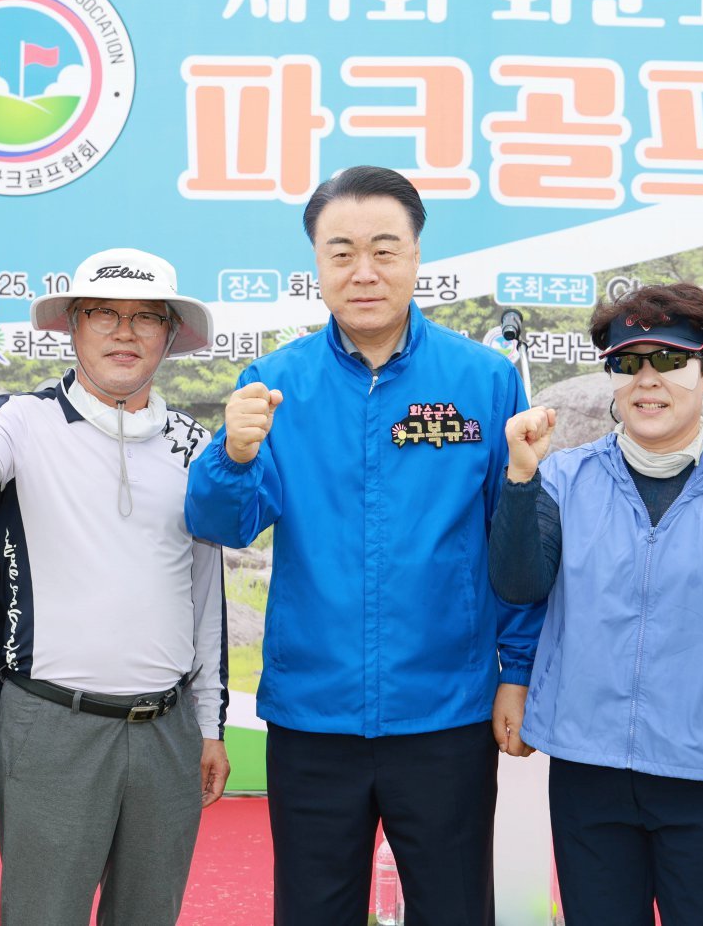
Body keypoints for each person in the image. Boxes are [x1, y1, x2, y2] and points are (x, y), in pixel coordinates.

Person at [184, 165, 542, 926]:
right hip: (314, 717)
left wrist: (518, 670)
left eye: (385, 248)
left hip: (446, 712)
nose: (365, 271)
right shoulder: (276, 381)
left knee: (454, 910)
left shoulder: (482, 380)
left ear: (417, 257)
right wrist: (232, 457)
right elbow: (222, 524)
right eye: (341, 252)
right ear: (316, 264)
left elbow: (512, 540)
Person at [0, 247, 230, 926]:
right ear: (72, 326)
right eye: (105, 316)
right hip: (51, 724)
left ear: (171, 335)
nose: (125, 332)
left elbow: (206, 593)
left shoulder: (194, 445)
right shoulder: (22, 423)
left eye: (146, 318)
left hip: (168, 731)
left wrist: (209, 725)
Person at [488, 282, 703, 925]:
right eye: (627, 362)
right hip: (589, 771)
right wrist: (521, 477)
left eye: (669, 361)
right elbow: (519, 584)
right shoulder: (561, 478)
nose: (648, 381)